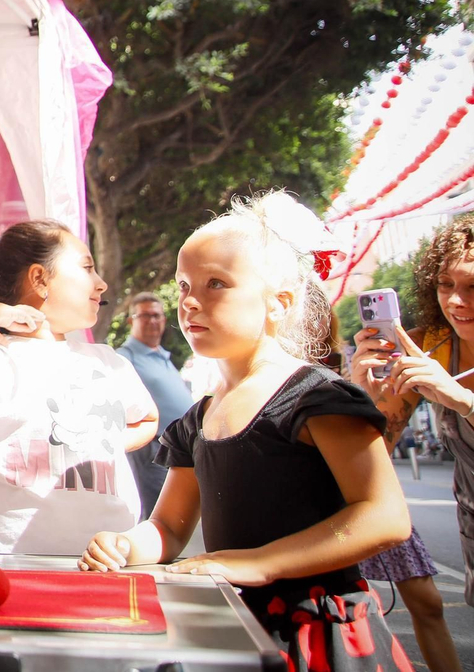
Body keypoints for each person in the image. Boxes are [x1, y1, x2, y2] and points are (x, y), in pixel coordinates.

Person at [81, 192, 413, 672]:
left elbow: (385, 516)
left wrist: (258, 563)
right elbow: (169, 528)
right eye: (184, 285)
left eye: (216, 284)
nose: (190, 301)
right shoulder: (198, 419)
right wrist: (127, 545)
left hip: (318, 633)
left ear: (279, 303)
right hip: (239, 625)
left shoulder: (316, 396)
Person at [0, 220, 158, 554]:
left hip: (107, 563)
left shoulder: (108, 362)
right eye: (87, 268)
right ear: (40, 279)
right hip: (5, 566)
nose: (101, 284)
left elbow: (147, 419)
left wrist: (98, 445)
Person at [349, 214, 474, 664]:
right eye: (444, 285)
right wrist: (370, 399)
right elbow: (377, 451)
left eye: (472, 287)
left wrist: (462, 399)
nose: (456, 302)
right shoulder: (431, 345)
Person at [116, 292, 194, 516]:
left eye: (157, 315)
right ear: (132, 321)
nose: (152, 321)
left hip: (179, 451)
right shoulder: (124, 357)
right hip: (152, 450)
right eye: (145, 315)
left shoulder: (163, 356)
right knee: (156, 517)